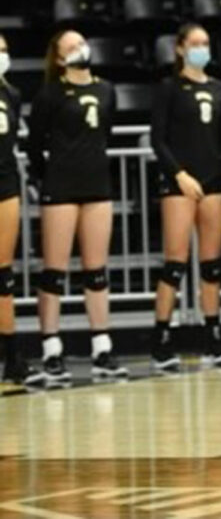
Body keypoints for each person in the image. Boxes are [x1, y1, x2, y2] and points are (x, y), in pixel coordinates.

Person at [26, 30, 125, 386]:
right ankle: (52, 349)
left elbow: (106, 132)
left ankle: (102, 347)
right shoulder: (51, 94)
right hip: (61, 187)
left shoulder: (106, 90)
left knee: (96, 270)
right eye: (70, 46)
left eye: (81, 43)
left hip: (97, 185)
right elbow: (34, 144)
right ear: (57, 58)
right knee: (54, 271)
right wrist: (45, 179)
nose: (79, 49)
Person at [149, 23, 221, 373]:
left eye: (206, 42)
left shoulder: (218, 88)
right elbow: (158, 139)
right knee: (175, 262)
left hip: (214, 181)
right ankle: (162, 338)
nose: (202, 48)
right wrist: (179, 175)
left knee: (211, 264)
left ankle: (213, 337)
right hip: (180, 183)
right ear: (180, 49)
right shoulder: (169, 88)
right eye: (196, 43)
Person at [0, 35, 29, 385]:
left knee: (3, 275)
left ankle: (12, 354)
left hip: (6, 186)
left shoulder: (12, 94)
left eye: (5, 50)